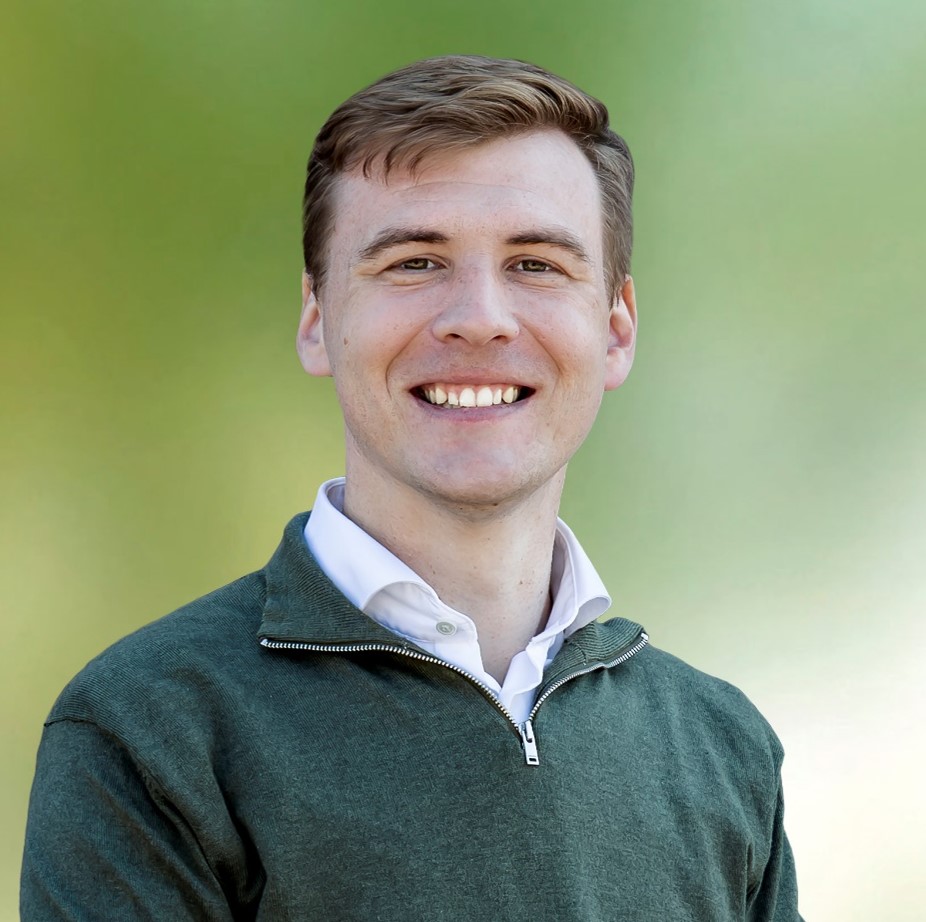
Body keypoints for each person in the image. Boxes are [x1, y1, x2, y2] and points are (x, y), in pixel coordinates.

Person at [21, 55, 802, 920]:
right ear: (317, 319)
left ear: (615, 331)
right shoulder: (148, 732)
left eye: (536, 264)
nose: (480, 318)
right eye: (415, 262)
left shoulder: (723, 746)